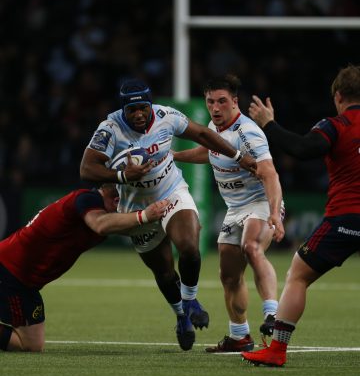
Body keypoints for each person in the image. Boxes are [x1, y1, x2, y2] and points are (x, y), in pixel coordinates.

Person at [79, 78, 256, 351]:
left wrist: (237, 156)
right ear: (123, 110)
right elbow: (87, 168)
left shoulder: (166, 116)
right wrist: (123, 175)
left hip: (171, 192)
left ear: (151, 105)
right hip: (137, 208)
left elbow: (202, 135)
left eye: (143, 108)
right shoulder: (110, 129)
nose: (138, 114)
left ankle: (190, 301)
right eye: (132, 110)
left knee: (189, 246)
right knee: (163, 273)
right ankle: (181, 315)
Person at [241, 64, 360, 367]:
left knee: (298, 275)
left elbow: (304, 148)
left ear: (338, 96)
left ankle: (277, 350)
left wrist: (269, 124)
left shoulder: (338, 124)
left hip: (346, 216)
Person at [172, 74, 285, 353]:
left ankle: (273, 314)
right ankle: (240, 337)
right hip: (234, 209)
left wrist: (274, 214)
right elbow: (208, 153)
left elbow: (270, 174)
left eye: (222, 101)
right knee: (229, 275)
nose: (215, 108)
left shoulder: (248, 133)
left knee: (252, 247)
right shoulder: (214, 127)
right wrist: (173, 156)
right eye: (210, 102)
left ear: (235, 102)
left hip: (260, 204)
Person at [0, 183, 168, 352]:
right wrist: (144, 215)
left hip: (25, 283)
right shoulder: (87, 199)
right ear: (117, 200)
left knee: (31, 345)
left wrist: (168, 218)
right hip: (9, 271)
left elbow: (130, 228)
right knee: (28, 346)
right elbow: (100, 224)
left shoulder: (100, 211)